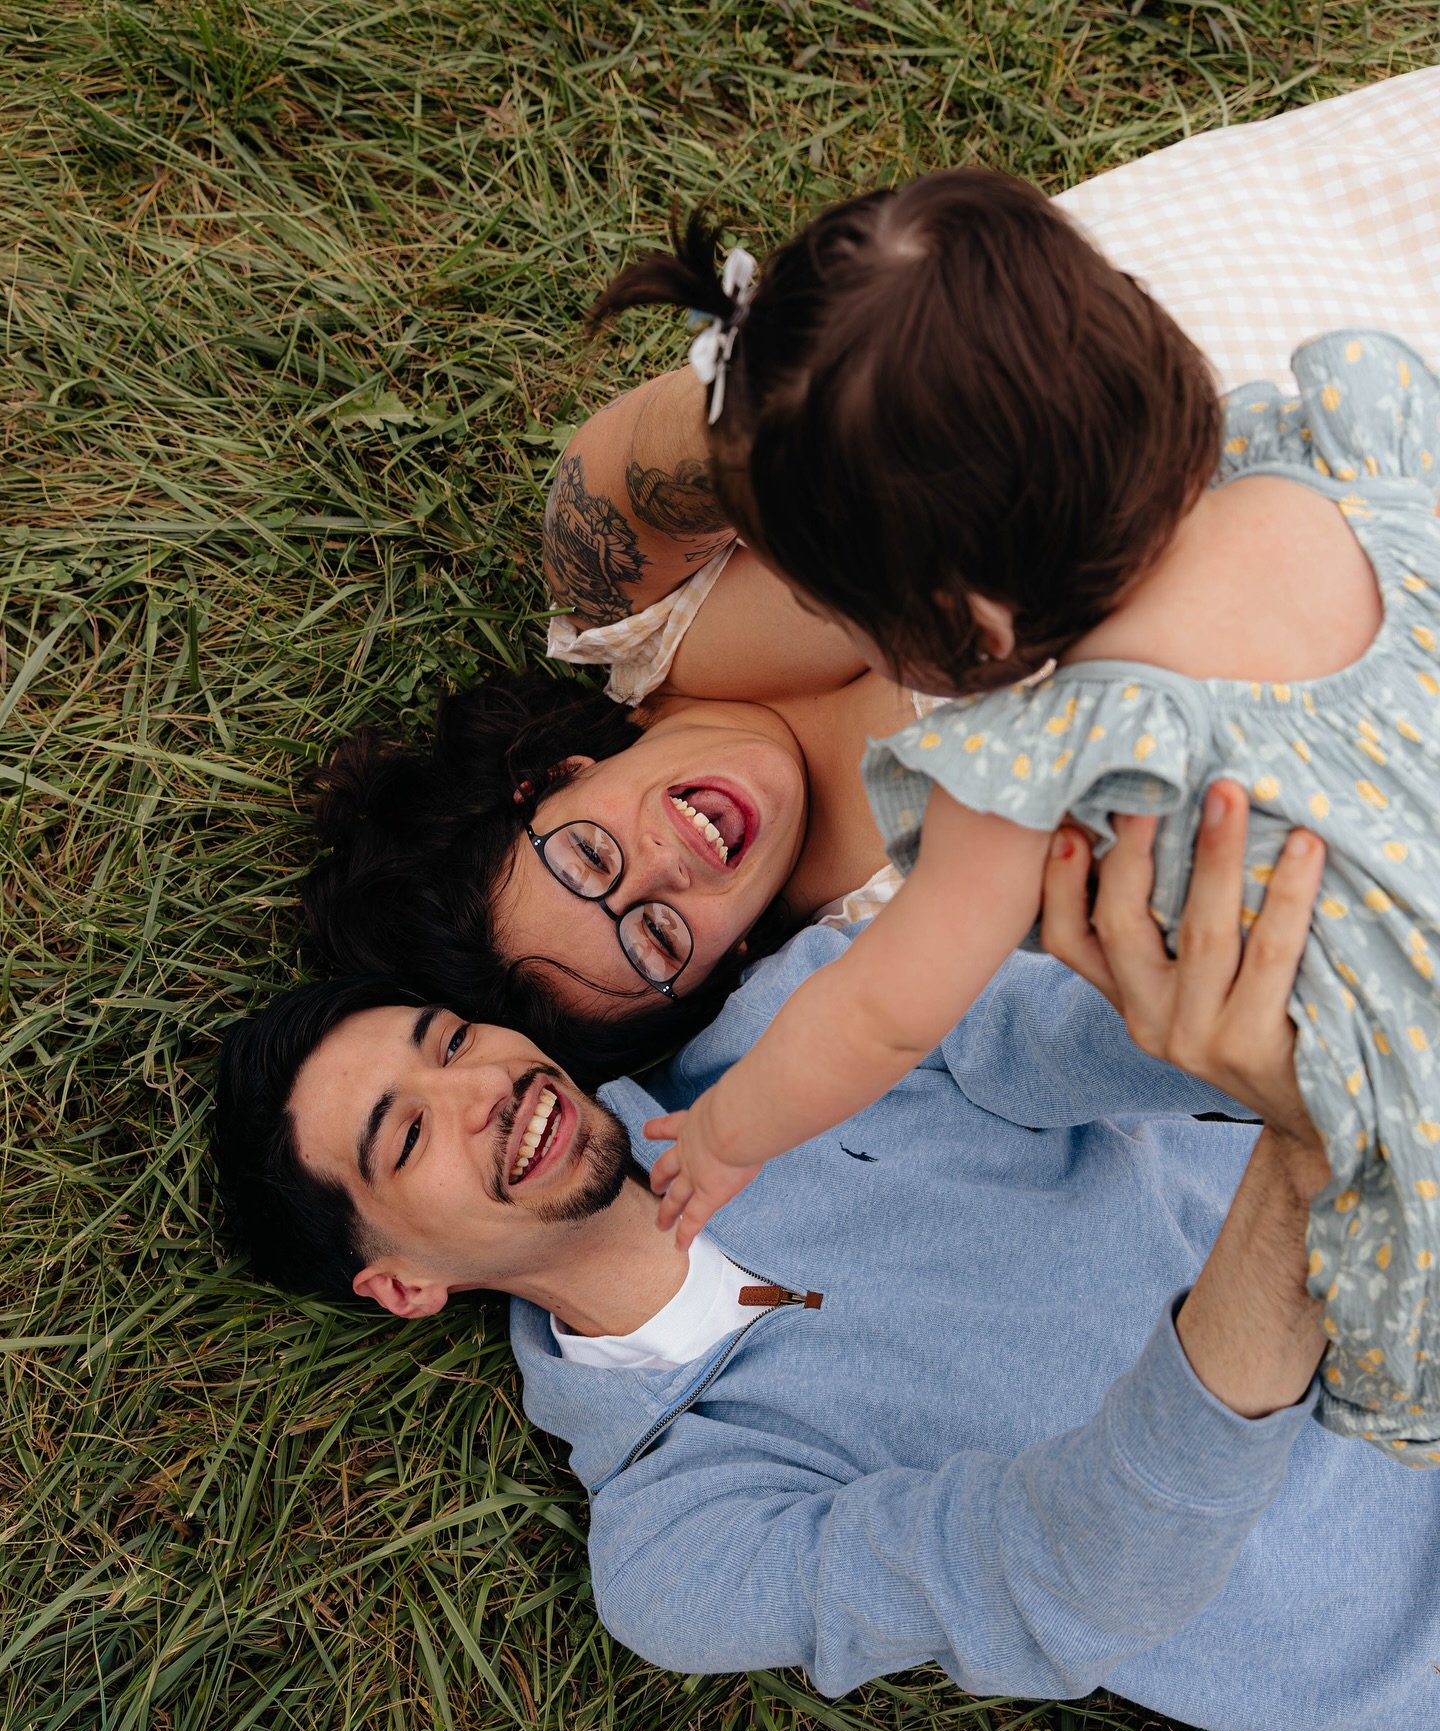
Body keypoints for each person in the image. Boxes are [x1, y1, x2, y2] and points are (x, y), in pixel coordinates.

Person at [213, 792, 1440, 1731]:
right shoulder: (680, 1536)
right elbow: (1071, 1582)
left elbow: (1092, 1033)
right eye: (405, 1136)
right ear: (402, 1283)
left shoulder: (804, 1024)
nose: (481, 1091)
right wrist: (1292, 1212)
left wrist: (1266, 1030)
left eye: (452, 1041)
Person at [304, 73, 1440, 1091]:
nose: (669, 866)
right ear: (721, 972)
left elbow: (767, 376)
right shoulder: (892, 929)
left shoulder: (630, 608)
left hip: (1276, 291)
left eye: (592, 855)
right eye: (656, 941)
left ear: (552, 776)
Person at [591, 167, 1440, 1462]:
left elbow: (881, 1011)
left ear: (961, 626)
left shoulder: (1046, 752)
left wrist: (724, 1129)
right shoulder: (1356, 461)